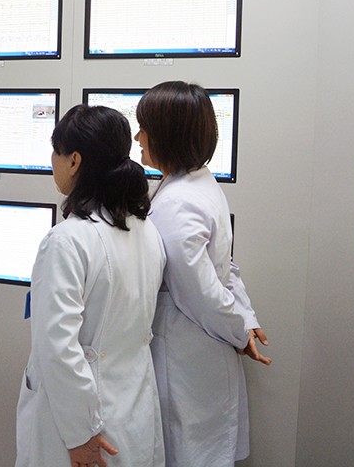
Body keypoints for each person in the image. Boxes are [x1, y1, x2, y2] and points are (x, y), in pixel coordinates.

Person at [16, 104, 167, 467]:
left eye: (56, 152)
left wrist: (80, 433)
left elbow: (58, 348)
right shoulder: (146, 230)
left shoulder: (66, 241)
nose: (53, 162)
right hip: (131, 407)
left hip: (83, 424)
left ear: (74, 161)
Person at [135, 81, 271, 467]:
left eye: (144, 128)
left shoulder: (178, 203)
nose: (137, 138)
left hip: (187, 359)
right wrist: (243, 318)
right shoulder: (197, 181)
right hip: (201, 351)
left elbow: (201, 291)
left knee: (189, 452)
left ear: (168, 135)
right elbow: (224, 268)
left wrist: (240, 331)